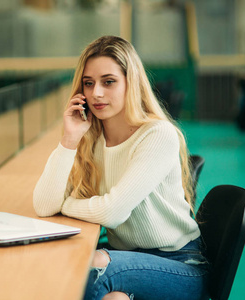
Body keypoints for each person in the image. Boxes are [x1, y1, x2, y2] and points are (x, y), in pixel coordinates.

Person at [33, 36, 209, 300]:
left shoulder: (157, 134)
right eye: (88, 83)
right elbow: (45, 205)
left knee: (89, 269)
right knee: (110, 296)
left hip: (180, 264)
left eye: (109, 82)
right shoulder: (90, 139)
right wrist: (69, 139)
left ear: (131, 83)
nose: (96, 94)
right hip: (128, 258)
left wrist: (66, 204)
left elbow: (111, 212)